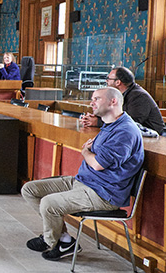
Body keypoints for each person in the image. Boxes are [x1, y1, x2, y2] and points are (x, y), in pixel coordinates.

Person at [21, 87, 144, 261]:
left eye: (96, 99)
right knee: (29, 189)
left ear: (113, 101)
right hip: (83, 182)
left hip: (102, 194)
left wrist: (85, 152)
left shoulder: (125, 131)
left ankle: (52, 241)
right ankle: (63, 239)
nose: (91, 103)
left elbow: (98, 164)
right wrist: (90, 151)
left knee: (49, 203)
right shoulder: (110, 125)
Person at [81, 66, 164, 135]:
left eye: (108, 79)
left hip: (152, 138)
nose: (106, 81)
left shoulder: (139, 96)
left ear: (118, 82)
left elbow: (130, 124)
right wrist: (95, 118)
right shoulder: (120, 94)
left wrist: (98, 122)